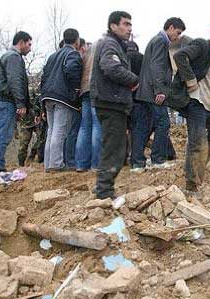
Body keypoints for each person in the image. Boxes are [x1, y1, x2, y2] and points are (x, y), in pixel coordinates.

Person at [170, 21, 210, 194]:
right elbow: (180, 56)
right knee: (198, 143)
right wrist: (190, 80)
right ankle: (191, 185)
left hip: (206, 104)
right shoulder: (202, 45)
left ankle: (196, 164)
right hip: (194, 101)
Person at [91, 11, 139, 199]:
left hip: (113, 103)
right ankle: (104, 192)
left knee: (117, 147)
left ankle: (103, 188)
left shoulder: (115, 45)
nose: (129, 28)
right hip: (111, 103)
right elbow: (111, 67)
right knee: (114, 150)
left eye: (130, 25)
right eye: (125, 24)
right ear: (113, 26)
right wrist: (134, 79)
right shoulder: (110, 44)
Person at [131, 17, 186, 173]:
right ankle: (158, 160)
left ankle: (137, 163)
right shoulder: (161, 41)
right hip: (153, 92)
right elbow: (157, 67)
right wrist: (160, 90)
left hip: (145, 92)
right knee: (163, 123)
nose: (178, 36)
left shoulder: (155, 40)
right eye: (178, 32)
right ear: (170, 27)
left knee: (142, 126)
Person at [40, 28, 83, 173]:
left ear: (64, 39)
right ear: (77, 41)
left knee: (51, 130)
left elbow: (44, 76)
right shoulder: (73, 54)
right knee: (60, 131)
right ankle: (56, 164)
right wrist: (75, 91)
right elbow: (71, 70)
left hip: (47, 96)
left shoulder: (52, 56)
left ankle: (49, 163)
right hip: (62, 97)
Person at [0, 31, 32, 172]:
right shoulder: (14, 57)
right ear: (21, 42)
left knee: (3, 133)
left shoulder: (9, 56)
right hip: (6, 101)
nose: (30, 48)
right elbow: (15, 81)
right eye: (29, 44)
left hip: (3, 100)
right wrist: (20, 103)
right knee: (3, 134)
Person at [75, 42, 102, 172]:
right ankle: (96, 164)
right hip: (97, 90)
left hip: (84, 89)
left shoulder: (87, 52)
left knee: (85, 126)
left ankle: (81, 164)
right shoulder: (105, 48)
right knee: (98, 125)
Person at [64, 38, 87, 170]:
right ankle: (71, 161)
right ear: (80, 46)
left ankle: (69, 160)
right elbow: (72, 72)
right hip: (73, 100)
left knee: (68, 131)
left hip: (67, 99)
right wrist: (76, 91)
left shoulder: (63, 57)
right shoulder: (75, 56)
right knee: (73, 130)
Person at [17, 87, 44, 166]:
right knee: (23, 145)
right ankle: (21, 164)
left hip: (37, 120)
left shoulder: (37, 94)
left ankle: (33, 156)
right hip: (26, 122)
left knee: (41, 140)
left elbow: (38, 103)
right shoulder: (20, 97)